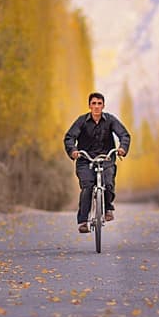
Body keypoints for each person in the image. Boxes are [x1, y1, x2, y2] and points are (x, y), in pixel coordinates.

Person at [63, 92, 131, 233]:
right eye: (93, 103)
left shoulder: (110, 120)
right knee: (87, 187)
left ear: (103, 105)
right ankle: (82, 221)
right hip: (85, 159)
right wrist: (73, 150)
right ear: (89, 106)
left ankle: (108, 209)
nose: (96, 106)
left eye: (99, 103)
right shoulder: (81, 121)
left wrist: (122, 148)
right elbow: (69, 137)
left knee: (108, 182)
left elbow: (124, 134)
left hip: (106, 158)